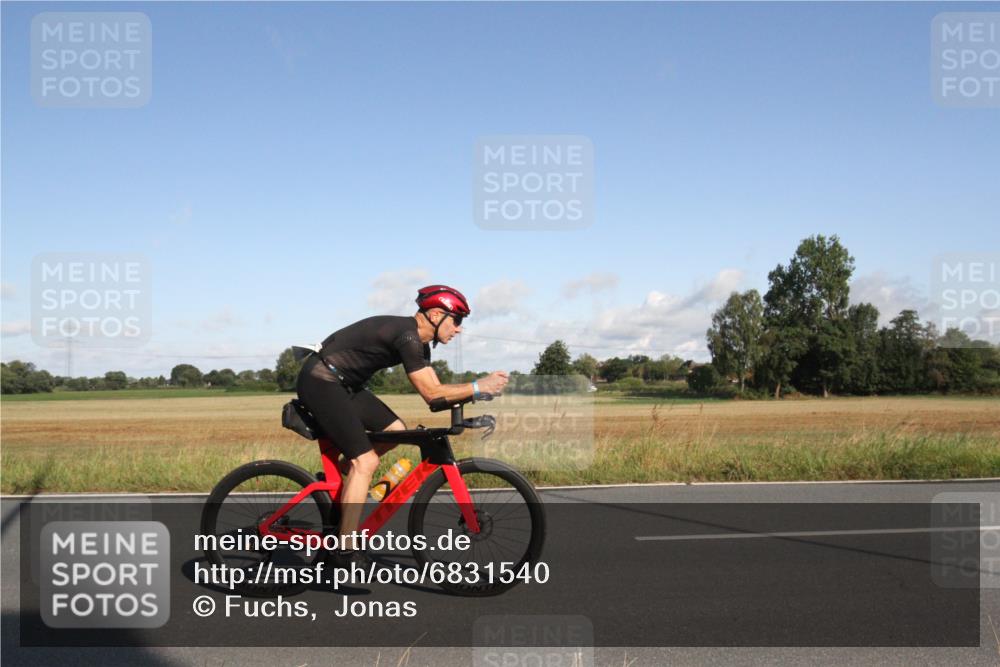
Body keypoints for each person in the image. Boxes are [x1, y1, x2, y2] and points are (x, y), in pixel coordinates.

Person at [295, 284, 509, 566]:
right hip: (321, 380)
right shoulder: (408, 336)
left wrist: (475, 394)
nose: (458, 329)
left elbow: (436, 397)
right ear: (435, 314)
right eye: (456, 320)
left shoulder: (420, 346)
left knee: (396, 432)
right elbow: (432, 393)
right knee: (367, 461)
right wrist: (476, 386)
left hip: (346, 384)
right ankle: (344, 551)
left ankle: (346, 475)